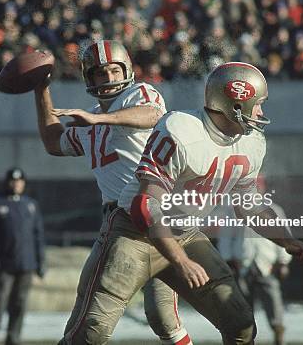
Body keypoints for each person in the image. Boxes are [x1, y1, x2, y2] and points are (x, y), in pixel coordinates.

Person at [58, 61, 303, 344]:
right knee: (92, 332)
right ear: (236, 104)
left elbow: (248, 203)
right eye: (258, 103)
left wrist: (286, 240)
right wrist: (180, 260)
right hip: (135, 234)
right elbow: (145, 206)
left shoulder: (252, 143)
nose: (261, 112)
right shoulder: (181, 129)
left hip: (185, 233)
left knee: (240, 324)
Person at [35, 40, 193, 344]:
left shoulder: (139, 95)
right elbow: (54, 142)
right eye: (99, 74)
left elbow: (151, 115)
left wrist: (99, 119)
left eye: (113, 71)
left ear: (128, 70)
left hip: (156, 215)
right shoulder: (92, 118)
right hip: (118, 223)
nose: (107, 79)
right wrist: (40, 90)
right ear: (89, 78)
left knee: (163, 317)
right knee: (88, 312)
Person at [217, 186, 293, 345]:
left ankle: (278, 332)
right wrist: (229, 259)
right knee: (243, 305)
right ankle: (247, 338)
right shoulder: (233, 210)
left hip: (266, 263)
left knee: (273, 299)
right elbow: (226, 236)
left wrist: (283, 261)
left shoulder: (274, 210)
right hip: (243, 263)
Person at [0, 168, 45, 345]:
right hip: (4, 264)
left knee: (19, 304)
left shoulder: (30, 205)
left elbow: (38, 235)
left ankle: (13, 339)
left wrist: (40, 262)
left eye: (20, 181)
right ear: (7, 182)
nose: (16, 184)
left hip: (26, 264)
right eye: (13, 180)